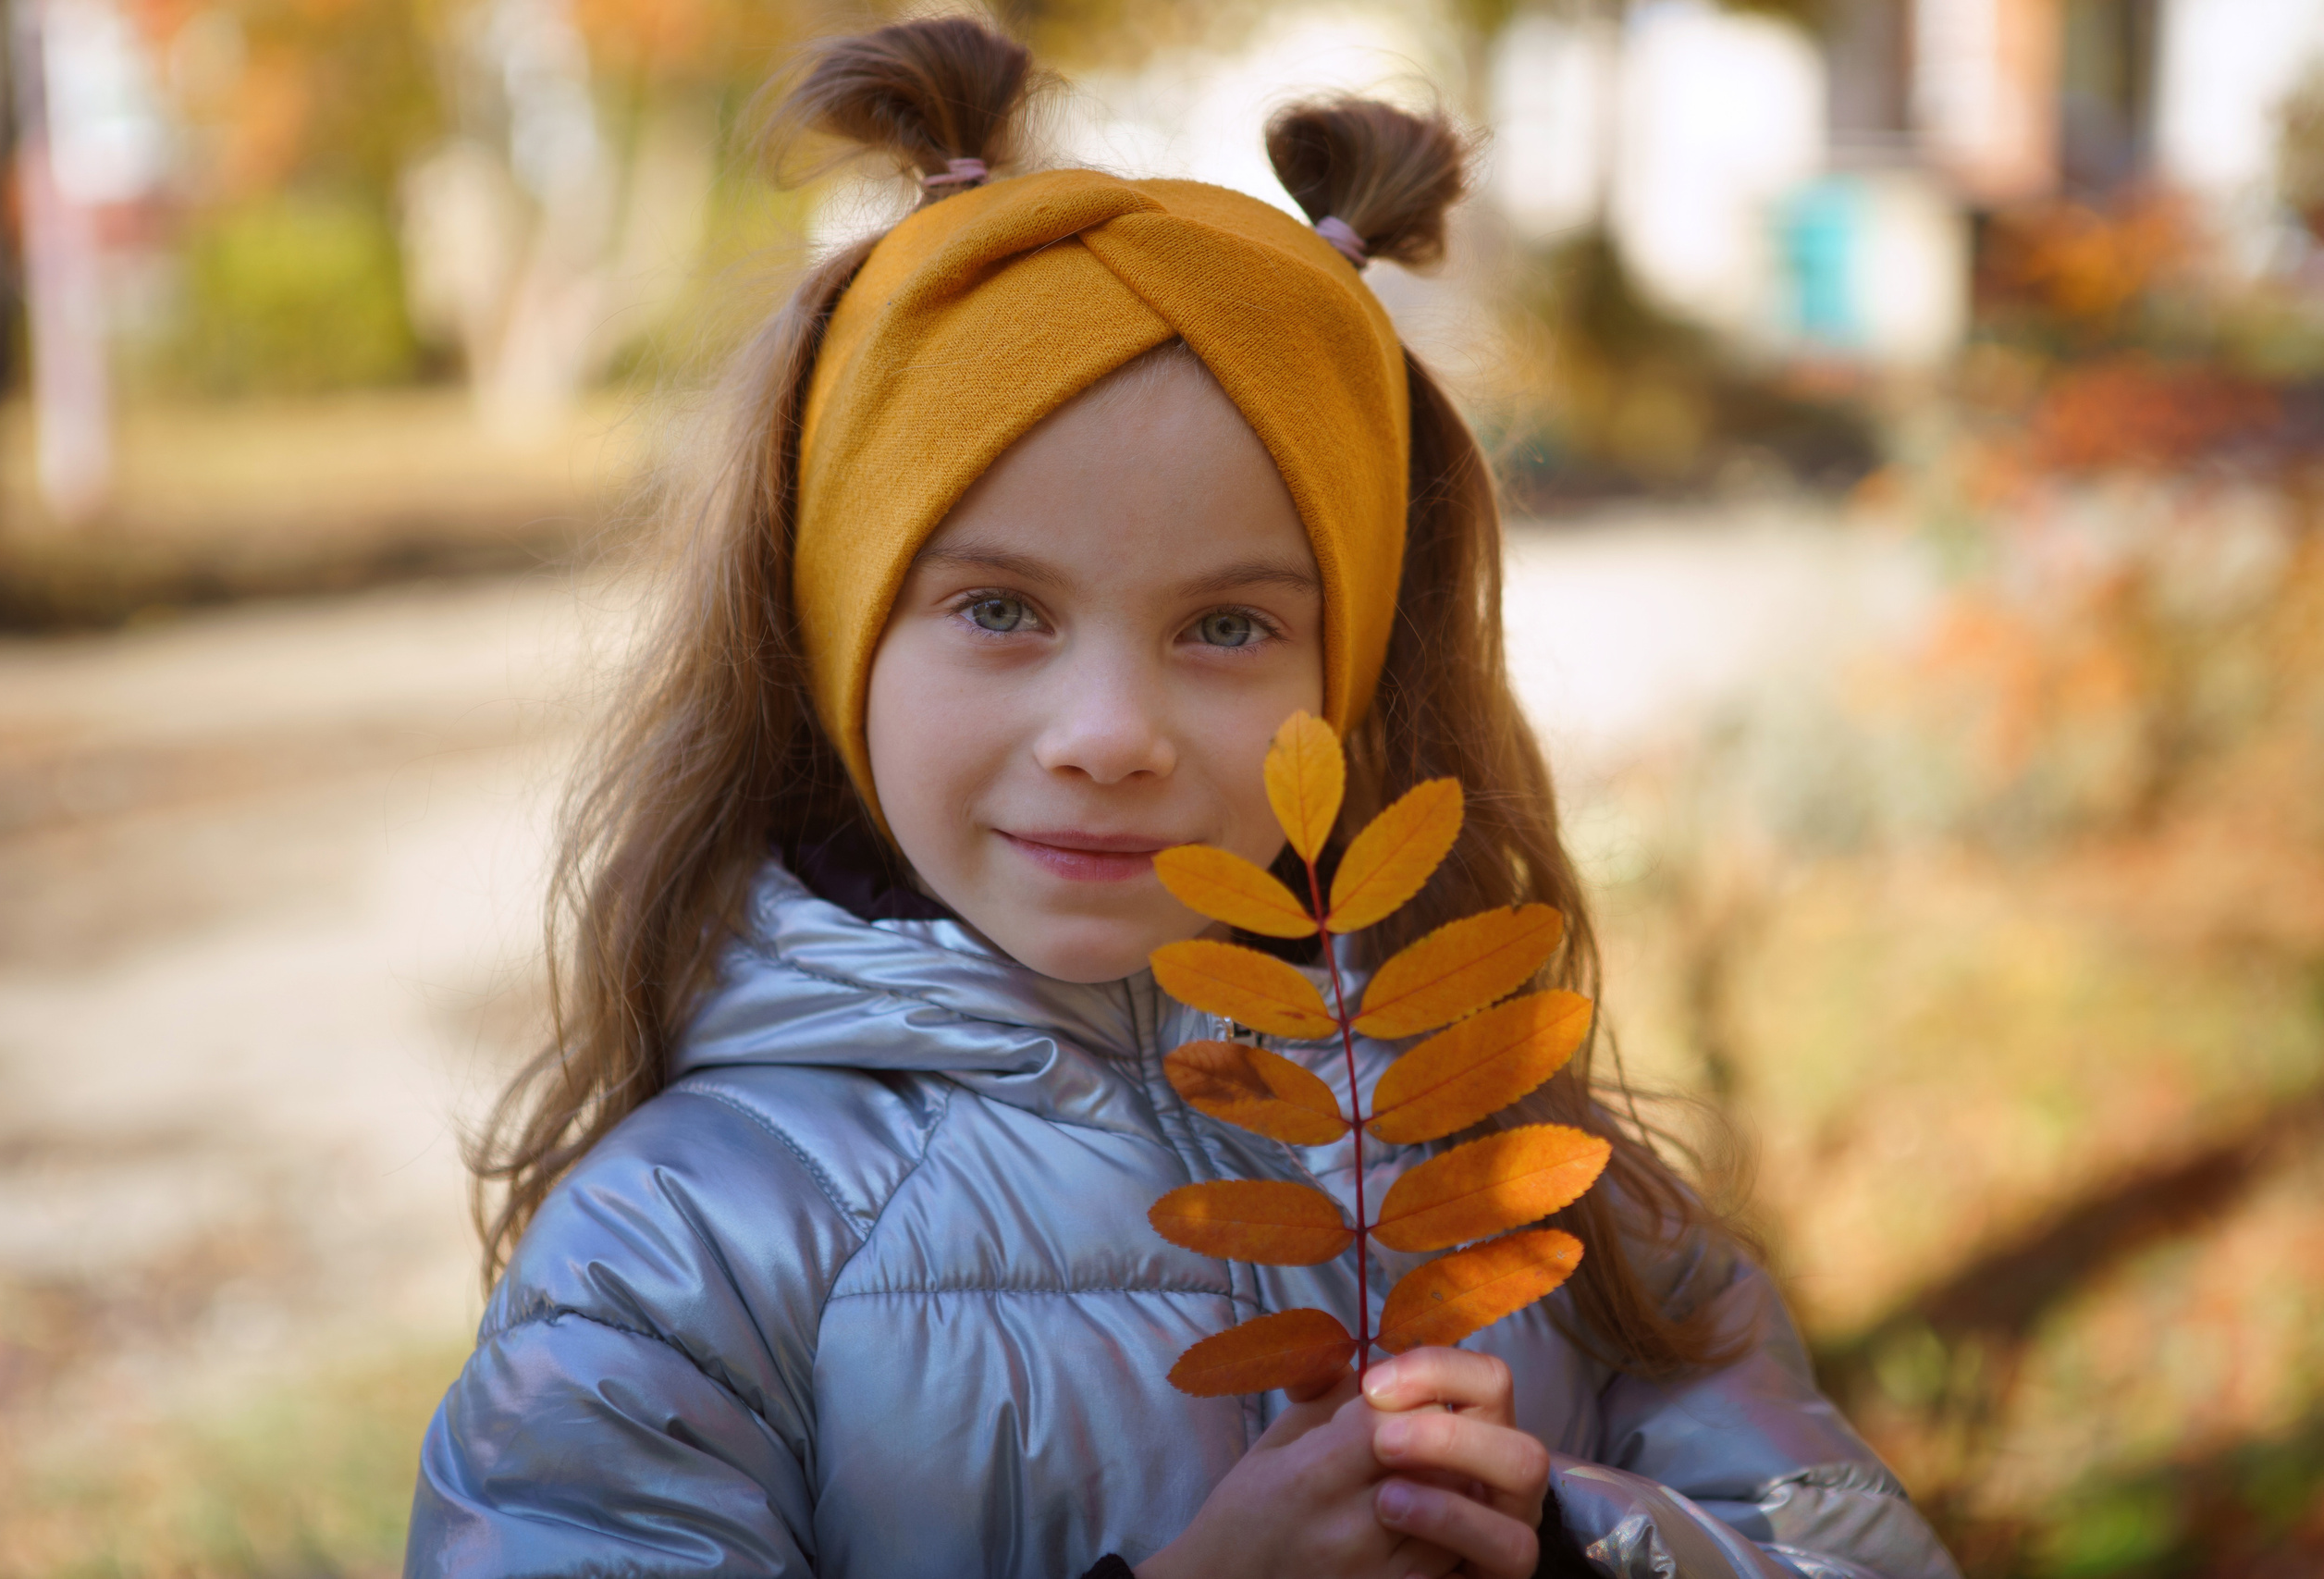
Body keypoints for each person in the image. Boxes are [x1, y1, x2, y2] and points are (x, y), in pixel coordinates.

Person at [405, 17, 1963, 1579]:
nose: (1107, 732)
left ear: (1350, 680)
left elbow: (1853, 1553)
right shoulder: (685, 1251)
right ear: (831, 635)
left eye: (1228, 627)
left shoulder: (1528, 1175)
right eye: (1001, 609)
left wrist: (1563, 1546)